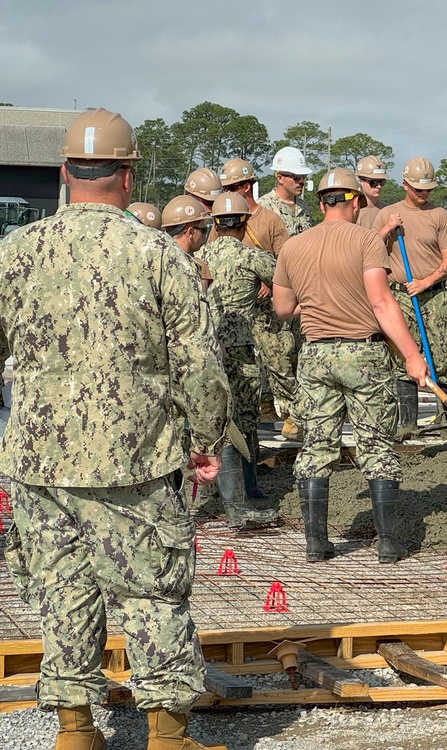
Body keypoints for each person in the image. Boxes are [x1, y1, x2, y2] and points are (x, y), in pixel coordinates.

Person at [0, 108, 230, 749]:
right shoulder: (159, 255)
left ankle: (75, 733)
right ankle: (166, 736)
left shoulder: (15, 253)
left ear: (65, 172)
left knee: (63, 593)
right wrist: (206, 439)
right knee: (154, 597)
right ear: (128, 176)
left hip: (40, 464)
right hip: (139, 462)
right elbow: (201, 364)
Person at [273, 168, 428, 563]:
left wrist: (318, 296)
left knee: (316, 446)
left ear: (321, 201)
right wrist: (413, 355)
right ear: (355, 201)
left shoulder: (294, 246)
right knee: (375, 445)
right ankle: (388, 544)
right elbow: (381, 302)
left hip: (315, 357)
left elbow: (283, 308)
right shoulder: (365, 239)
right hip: (364, 355)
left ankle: (316, 544)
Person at [200, 191, 281, 530]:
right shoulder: (252, 257)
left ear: (215, 224)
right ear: (245, 223)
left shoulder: (199, 256)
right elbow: (283, 277)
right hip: (241, 353)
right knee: (243, 424)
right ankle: (243, 500)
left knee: (217, 423)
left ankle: (233, 494)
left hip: (205, 351)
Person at [371, 157, 447, 438]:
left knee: (443, 360)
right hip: (402, 297)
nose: (424, 194)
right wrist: (387, 230)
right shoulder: (388, 214)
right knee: (403, 360)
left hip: (434, 296)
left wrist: (427, 281)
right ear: (405, 185)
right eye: (419, 189)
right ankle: (407, 423)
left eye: (428, 190)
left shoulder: (439, 215)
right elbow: (369, 249)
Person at [219, 157, 303, 443]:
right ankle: (263, 418)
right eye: (228, 186)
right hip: (236, 314)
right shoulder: (221, 219)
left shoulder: (268, 219)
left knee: (280, 362)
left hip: (267, 311)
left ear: (249, 185)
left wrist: (271, 282)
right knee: (248, 375)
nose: (233, 191)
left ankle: (294, 417)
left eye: (237, 185)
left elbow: (287, 258)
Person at [161, 194, 214, 291]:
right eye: (203, 230)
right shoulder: (195, 268)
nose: (203, 236)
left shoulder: (156, 260)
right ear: (191, 233)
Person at [258, 145, 312, 237]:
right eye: (296, 177)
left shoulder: (303, 207)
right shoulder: (263, 207)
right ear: (280, 178)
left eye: (304, 176)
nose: (302, 181)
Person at [355, 155, 392, 232]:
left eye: (382, 182)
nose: (379, 186)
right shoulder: (353, 210)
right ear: (360, 181)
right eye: (373, 182)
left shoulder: (387, 210)